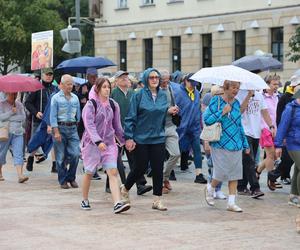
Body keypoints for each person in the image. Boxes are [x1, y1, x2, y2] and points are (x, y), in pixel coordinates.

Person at [121, 68, 174, 211]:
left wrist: (170, 111)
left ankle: (157, 199)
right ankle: (125, 188)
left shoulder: (163, 95)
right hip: (141, 138)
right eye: (151, 77)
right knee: (140, 168)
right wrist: (129, 138)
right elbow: (130, 117)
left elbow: (161, 111)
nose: (155, 79)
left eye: (157, 77)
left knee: (158, 169)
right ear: (146, 79)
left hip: (158, 137)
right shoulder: (138, 95)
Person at [81, 77, 130, 213]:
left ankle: (117, 203)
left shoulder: (114, 105)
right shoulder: (91, 105)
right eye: (104, 87)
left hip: (109, 144)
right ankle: (84, 199)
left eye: (108, 87)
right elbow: (89, 125)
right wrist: (98, 141)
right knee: (89, 172)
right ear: (97, 89)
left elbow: (117, 126)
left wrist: (125, 141)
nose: (107, 89)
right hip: (92, 144)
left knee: (112, 172)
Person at [203, 81, 249, 212]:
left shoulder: (237, 103)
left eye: (238, 88)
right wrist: (222, 112)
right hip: (219, 143)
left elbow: (239, 125)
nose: (236, 90)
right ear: (226, 88)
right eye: (234, 87)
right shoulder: (216, 101)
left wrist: (244, 143)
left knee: (234, 174)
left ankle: (231, 203)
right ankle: (210, 189)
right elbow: (207, 120)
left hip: (236, 144)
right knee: (221, 173)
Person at [110, 70, 152, 195]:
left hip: (130, 131)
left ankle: (140, 184)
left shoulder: (133, 94)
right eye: (122, 78)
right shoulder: (113, 94)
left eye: (126, 77)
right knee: (115, 159)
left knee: (134, 158)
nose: (125, 79)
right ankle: (114, 184)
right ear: (116, 81)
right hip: (116, 131)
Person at [236, 88, 275, 198]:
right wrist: (248, 96)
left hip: (256, 132)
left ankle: (241, 186)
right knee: (250, 160)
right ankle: (255, 188)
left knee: (246, 161)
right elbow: (239, 111)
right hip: (244, 132)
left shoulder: (259, 95)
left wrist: (271, 125)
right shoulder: (239, 94)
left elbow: (264, 112)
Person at [175, 73, 207, 184]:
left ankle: (199, 174)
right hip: (180, 127)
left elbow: (198, 109)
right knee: (175, 151)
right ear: (186, 81)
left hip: (194, 127)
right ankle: (169, 171)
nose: (193, 85)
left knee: (197, 149)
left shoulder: (197, 93)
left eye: (195, 83)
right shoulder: (178, 93)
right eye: (191, 83)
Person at [50, 75, 81, 189]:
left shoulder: (75, 98)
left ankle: (71, 177)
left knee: (76, 154)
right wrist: (56, 132)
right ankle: (63, 180)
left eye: (71, 83)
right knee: (60, 157)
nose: (70, 86)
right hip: (60, 128)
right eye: (67, 83)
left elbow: (78, 115)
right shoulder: (56, 98)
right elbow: (52, 116)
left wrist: (76, 126)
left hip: (72, 129)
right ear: (61, 85)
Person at [25, 67, 57, 172]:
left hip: (52, 121)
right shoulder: (37, 88)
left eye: (50, 75)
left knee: (53, 142)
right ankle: (31, 157)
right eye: (47, 74)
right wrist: (36, 112)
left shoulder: (55, 89)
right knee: (36, 141)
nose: (49, 76)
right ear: (42, 75)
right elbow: (28, 103)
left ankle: (54, 164)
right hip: (39, 120)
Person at [275, 86, 300, 207]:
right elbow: (282, 126)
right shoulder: (290, 108)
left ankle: (293, 197)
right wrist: (278, 145)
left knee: (297, 169)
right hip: (293, 143)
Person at [256, 74, 281, 190]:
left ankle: (258, 170)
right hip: (264, 128)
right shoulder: (261, 96)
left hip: (276, 129)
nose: (276, 86)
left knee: (274, 156)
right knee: (271, 155)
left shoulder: (278, 97)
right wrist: (265, 127)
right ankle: (271, 181)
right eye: (274, 84)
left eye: (277, 84)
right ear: (267, 84)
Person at [201, 85, 226, 200]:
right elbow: (206, 128)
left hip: (221, 142)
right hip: (210, 141)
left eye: (222, 94)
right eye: (219, 94)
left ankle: (218, 189)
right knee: (212, 166)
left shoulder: (225, 108)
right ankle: (211, 186)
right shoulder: (208, 110)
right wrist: (206, 143)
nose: (221, 96)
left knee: (220, 167)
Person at [159, 70, 180, 194]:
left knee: (176, 153)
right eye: (164, 81)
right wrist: (167, 110)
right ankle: (160, 181)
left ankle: (164, 177)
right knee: (159, 158)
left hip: (171, 126)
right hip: (158, 128)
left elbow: (172, 103)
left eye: (168, 80)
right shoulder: (154, 92)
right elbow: (152, 110)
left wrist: (175, 108)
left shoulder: (170, 89)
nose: (166, 83)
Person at [0, 92, 28, 183]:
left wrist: (10, 118)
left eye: (15, 94)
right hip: (5, 133)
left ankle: (20, 175)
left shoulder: (19, 104)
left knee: (19, 153)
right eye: (12, 94)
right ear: (7, 93)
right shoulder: (2, 104)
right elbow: (1, 117)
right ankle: (0, 173)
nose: (14, 95)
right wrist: (12, 112)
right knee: (1, 154)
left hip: (18, 133)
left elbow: (23, 118)